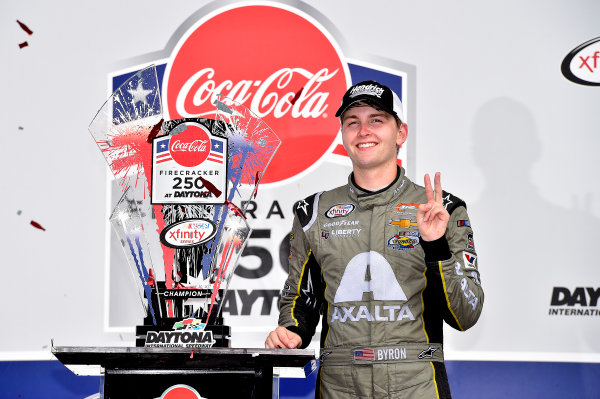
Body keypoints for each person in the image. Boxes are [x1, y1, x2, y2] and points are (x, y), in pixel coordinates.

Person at [265, 80, 483, 398]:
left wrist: (436, 245)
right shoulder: (312, 212)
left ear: (401, 133)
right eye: (353, 122)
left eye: (376, 120)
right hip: (339, 386)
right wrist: (291, 332)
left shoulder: (443, 208)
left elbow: (466, 314)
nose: (363, 130)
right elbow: (301, 300)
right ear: (343, 135)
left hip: (416, 384)